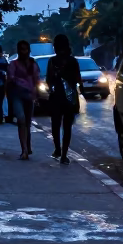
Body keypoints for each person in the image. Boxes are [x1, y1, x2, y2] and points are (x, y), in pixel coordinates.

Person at [46, 33, 83, 164]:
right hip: (70, 98)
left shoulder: (52, 61)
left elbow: (48, 80)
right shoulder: (73, 61)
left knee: (55, 125)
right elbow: (78, 79)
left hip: (56, 98)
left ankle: (57, 149)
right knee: (67, 127)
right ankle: (64, 155)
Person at [7, 39, 40, 160]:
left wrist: (37, 94)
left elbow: (37, 80)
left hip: (29, 96)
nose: (23, 51)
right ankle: (24, 150)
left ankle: (27, 147)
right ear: (18, 51)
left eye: (25, 49)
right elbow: (10, 80)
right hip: (17, 95)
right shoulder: (13, 64)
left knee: (27, 122)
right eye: (21, 49)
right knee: (21, 121)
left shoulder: (33, 64)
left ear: (29, 51)